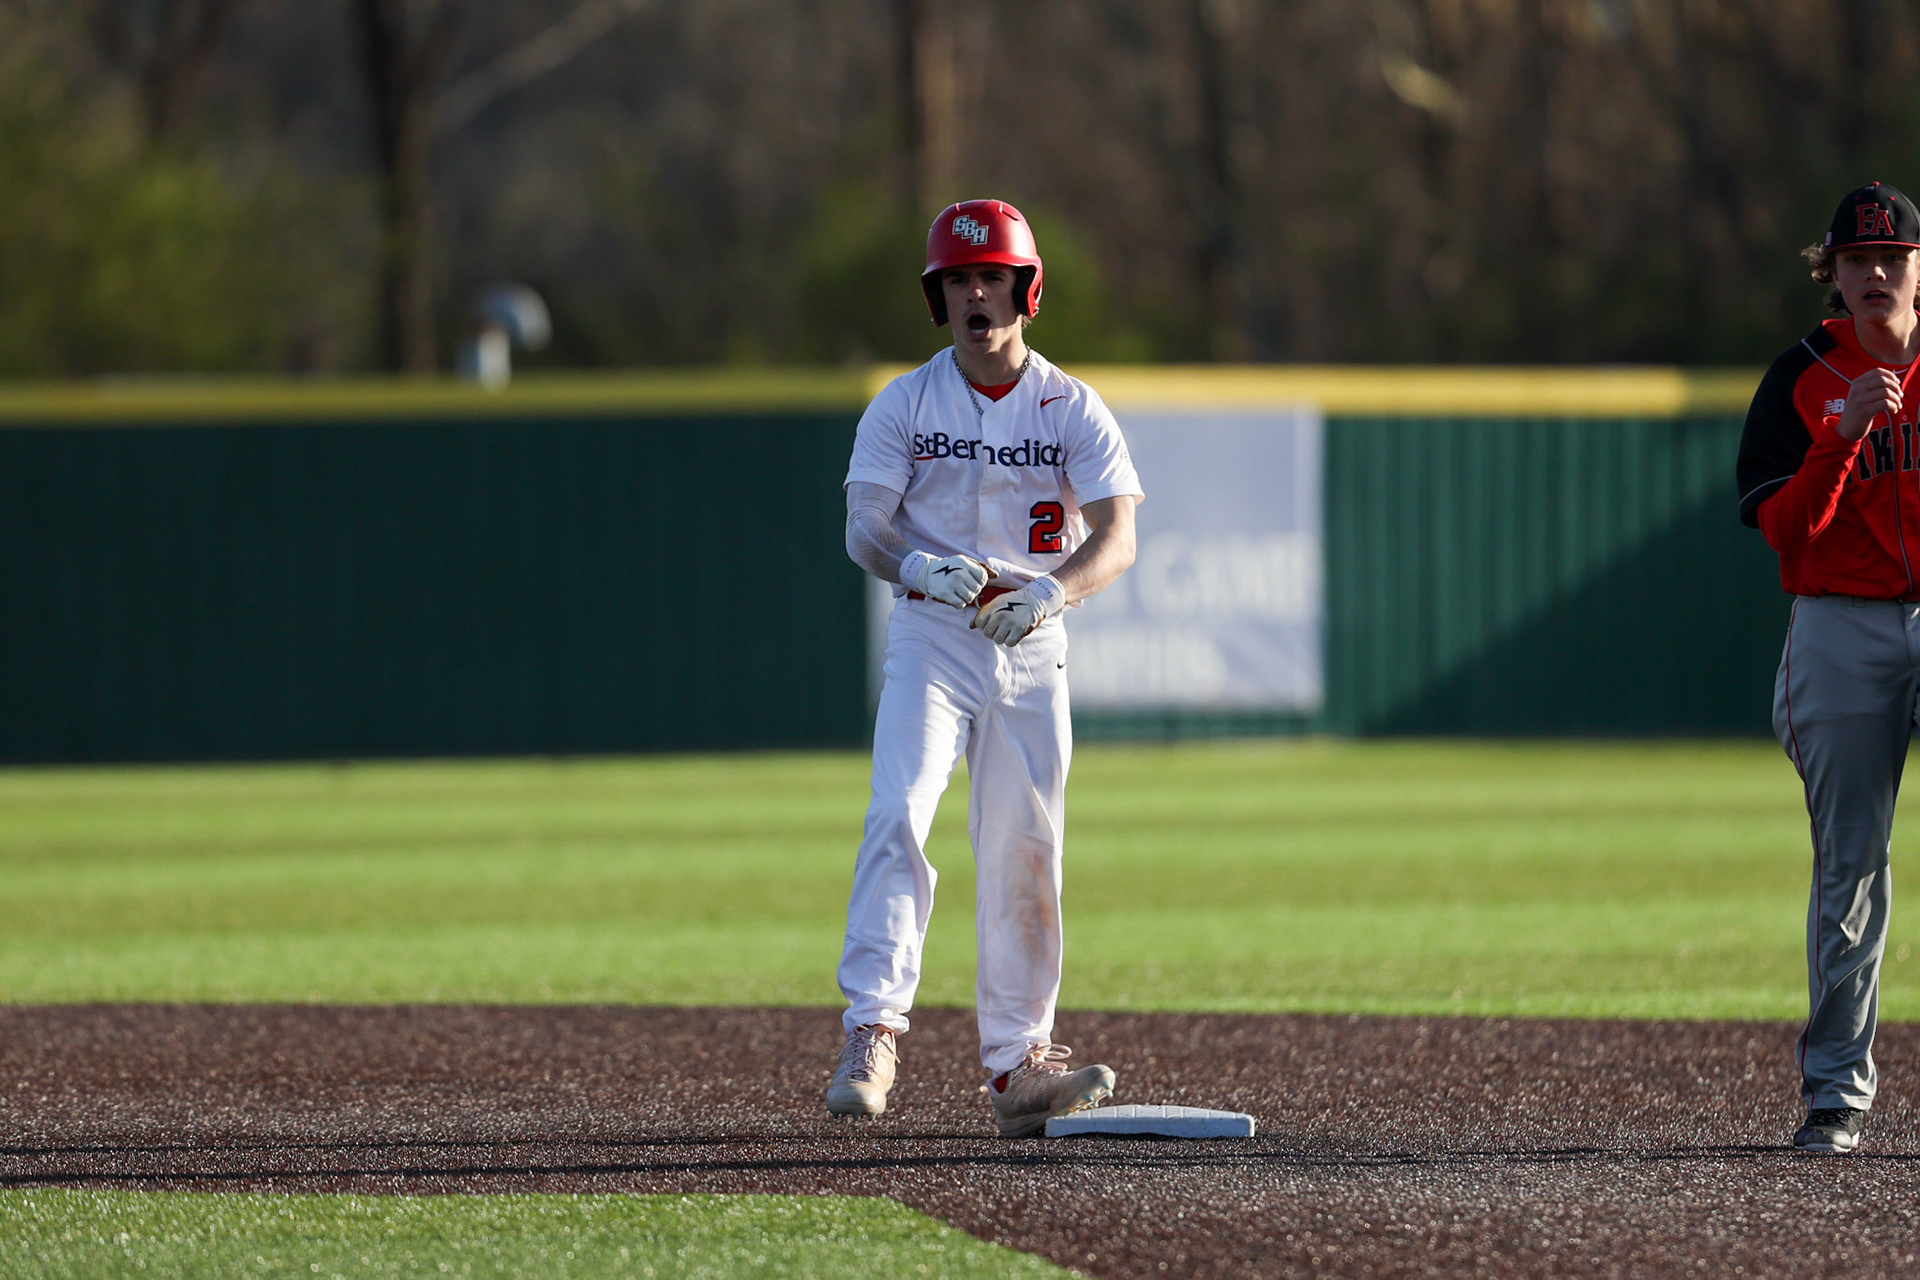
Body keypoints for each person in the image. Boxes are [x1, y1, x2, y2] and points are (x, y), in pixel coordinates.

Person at [824, 198, 1144, 1137]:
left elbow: (1119, 534)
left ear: (1025, 289)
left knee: (1025, 850)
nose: (975, 293)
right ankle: (872, 1028)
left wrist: (1050, 592)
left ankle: (1019, 1067)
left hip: (1031, 644)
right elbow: (865, 529)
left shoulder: (1070, 403)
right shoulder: (906, 401)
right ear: (939, 296)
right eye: (959, 279)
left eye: (991, 277)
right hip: (933, 635)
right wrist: (915, 565)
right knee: (900, 809)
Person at [1737, 180, 1920, 1154]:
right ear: (1833, 275)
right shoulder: (1803, 377)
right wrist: (1839, 438)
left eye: (1893, 257)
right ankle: (1835, 1094)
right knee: (1852, 863)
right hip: (1841, 623)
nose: (1877, 273)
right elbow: (1788, 535)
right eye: (1858, 260)